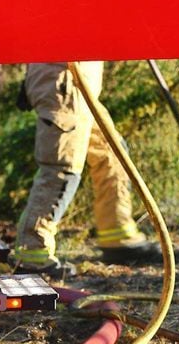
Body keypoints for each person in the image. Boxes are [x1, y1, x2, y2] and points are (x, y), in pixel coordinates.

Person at [13, 61, 160, 275]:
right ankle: (31, 254)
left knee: (112, 153)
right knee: (62, 168)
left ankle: (117, 237)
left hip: (79, 83)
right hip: (65, 83)